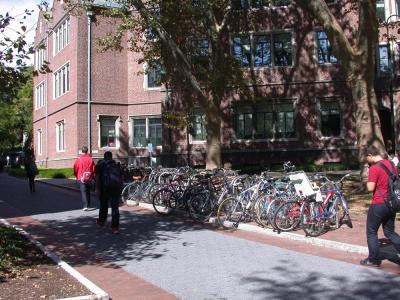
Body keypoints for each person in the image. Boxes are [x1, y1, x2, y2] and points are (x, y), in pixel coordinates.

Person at [361, 145, 400, 267]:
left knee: (371, 231)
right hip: (392, 203)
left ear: (370, 155)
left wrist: (369, 174)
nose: (366, 161)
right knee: (389, 232)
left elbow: (370, 188)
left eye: (366, 158)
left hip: (379, 203)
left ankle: (374, 259)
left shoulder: (374, 168)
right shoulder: (391, 165)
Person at [95, 151, 122, 234]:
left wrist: (97, 188)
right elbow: (121, 177)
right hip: (115, 188)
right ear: (111, 157)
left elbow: (98, 177)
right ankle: (115, 228)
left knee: (103, 205)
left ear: (104, 157)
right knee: (115, 208)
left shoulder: (100, 164)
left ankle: (101, 221)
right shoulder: (116, 165)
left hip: (105, 188)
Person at [73, 146, 95, 211]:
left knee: (83, 191)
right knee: (88, 191)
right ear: (87, 151)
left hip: (81, 177)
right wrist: (92, 175)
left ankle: (85, 206)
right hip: (89, 177)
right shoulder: (90, 159)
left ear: (81, 151)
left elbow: (75, 168)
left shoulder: (79, 159)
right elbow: (93, 168)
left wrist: (76, 175)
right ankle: (88, 204)